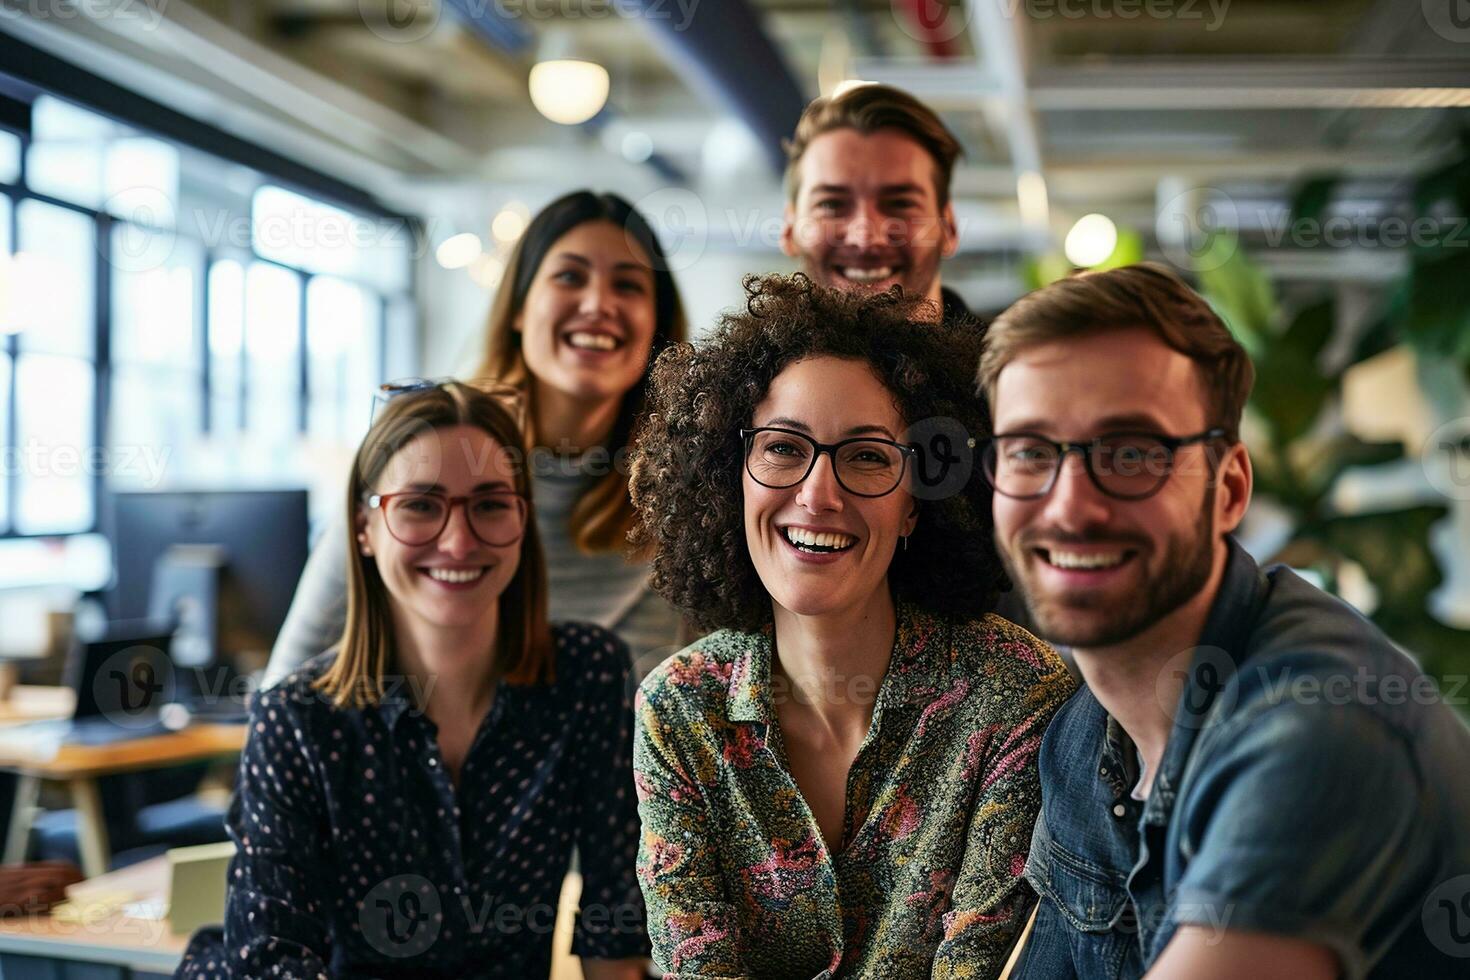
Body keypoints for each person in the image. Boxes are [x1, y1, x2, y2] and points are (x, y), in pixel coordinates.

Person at [979, 263, 1470, 978]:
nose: (1069, 505)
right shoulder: (1085, 741)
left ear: (1230, 488)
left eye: (1130, 453)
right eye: (1029, 452)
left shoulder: (1319, 729)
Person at [627, 274, 1076, 978]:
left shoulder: (1015, 696)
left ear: (917, 505)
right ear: (729, 476)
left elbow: (976, 969)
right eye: (782, 448)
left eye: (866, 456)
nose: (817, 495)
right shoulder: (679, 707)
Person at [176, 382, 648, 978]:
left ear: (522, 522)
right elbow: (273, 961)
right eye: (421, 505)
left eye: (490, 504)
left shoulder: (588, 674)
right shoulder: (296, 717)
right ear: (364, 529)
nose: (457, 540)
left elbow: (615, 932)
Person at [266, 190, 689, 687]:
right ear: (517, 308)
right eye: (570, 276)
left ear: (656, 323)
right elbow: (285, 692)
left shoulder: (685, 504)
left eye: (628, 285)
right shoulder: (413, 467)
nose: (598, 303)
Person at [780, 83, 969, 327]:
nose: (865, 237)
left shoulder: (1012, 363)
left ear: (949, 228)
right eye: (830, 205)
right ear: (789, 229)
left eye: (900, 204)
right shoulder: (744, 364)